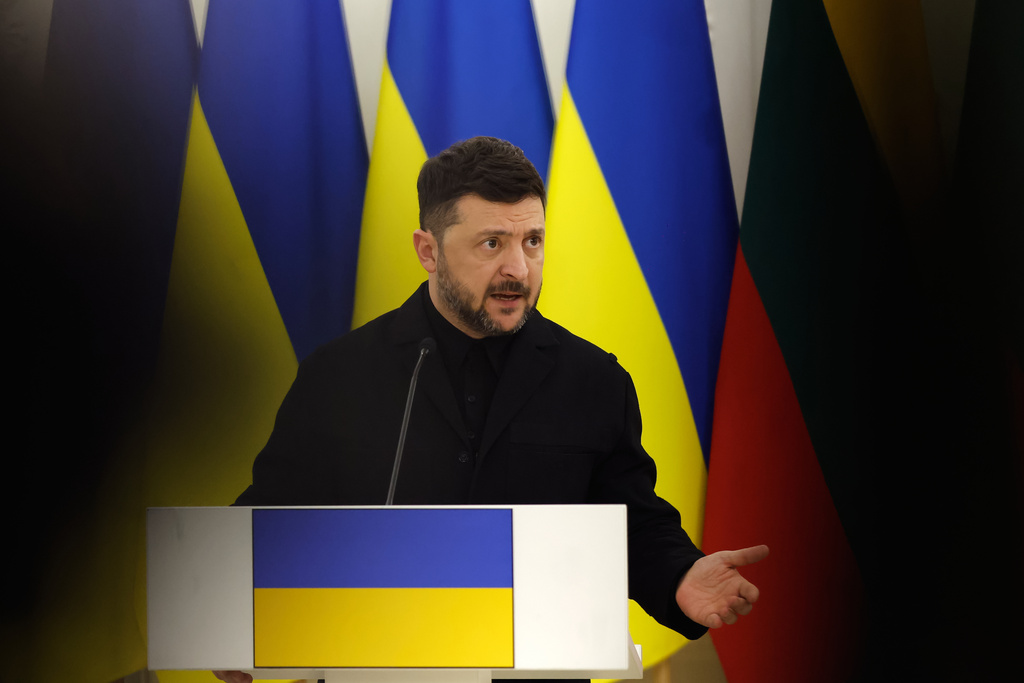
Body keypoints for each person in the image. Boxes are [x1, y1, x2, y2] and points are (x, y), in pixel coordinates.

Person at [215, 137, 767, 683]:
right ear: (428, 250)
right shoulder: (339, 376)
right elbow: (274, 519)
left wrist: (680, 574)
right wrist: (229, 622)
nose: (519, 270)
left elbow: (630, 522)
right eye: (492, 244)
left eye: (532, 241)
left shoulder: (595, 382)